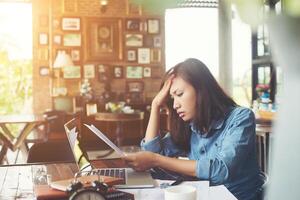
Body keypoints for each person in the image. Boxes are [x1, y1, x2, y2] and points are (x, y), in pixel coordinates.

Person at [122, 58, 265, 200]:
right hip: (205, 195)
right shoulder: (190, 125)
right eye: (172, 99)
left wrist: (156, 160)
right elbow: (151, 153)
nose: (175, 105)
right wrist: (155, 105)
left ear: (202, 89)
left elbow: (221, 170)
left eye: (179, 94)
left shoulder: (241, 117)